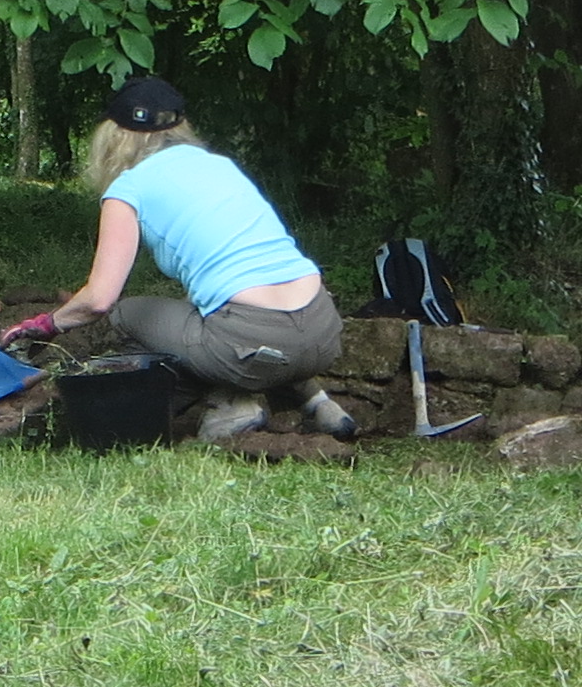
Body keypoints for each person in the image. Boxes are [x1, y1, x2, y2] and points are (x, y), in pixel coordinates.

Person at [41, 75, 353, 443]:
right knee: (226, 319)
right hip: (323, 330)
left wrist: (46, 325)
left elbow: (99, 300)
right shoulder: (220, 166)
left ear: (114, 136)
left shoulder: (129, 188)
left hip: (252, 345)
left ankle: (230, 404)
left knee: (126, 315)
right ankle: (319, 403)